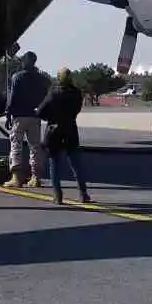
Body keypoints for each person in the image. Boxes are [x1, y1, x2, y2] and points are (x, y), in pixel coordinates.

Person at [35, 69, 91, 205]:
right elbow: (77, 109)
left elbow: (41, 111)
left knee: (55, 164)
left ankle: (57, 195)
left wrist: (49, 117)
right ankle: (83, 193)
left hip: (55, 130)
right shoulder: (76, 93)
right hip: (70, 129)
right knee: (76, 164)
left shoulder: (54, 93)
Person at [5, 52, 50, 188]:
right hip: (34, 116)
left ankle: (16, 177)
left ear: (25, 62)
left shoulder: (17, 77)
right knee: (35, 146)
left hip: (19, 116)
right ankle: (35, 177)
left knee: (16, 145)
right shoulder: (41, 79)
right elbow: (45, 97)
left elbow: (12, 98)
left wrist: (8, 114)